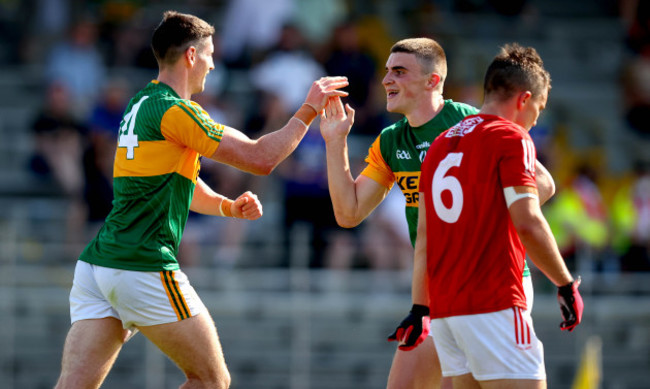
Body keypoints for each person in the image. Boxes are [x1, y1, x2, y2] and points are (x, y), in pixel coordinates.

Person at [54, 10, 349, 389]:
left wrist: (227, 206)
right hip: (142, 264)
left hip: (98, 267)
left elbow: (183, 184)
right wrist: (308, 109)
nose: (213, 63)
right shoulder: (176, 111)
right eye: (210, 54)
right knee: (211, 381)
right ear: (191, 56)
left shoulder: (141, 104)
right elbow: (260, 158)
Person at [319, 37, 555, 389]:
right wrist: (335, 141)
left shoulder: (468, 120)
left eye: (399, 71)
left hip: (491, 284)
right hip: (437, 287)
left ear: (433, 81)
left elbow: (544, 184)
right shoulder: (391, 141)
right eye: (386, 72)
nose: (386, 80)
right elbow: (349, 213)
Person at [388, 43, 584, 388]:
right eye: (537, 110)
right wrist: (565, 284)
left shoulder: (440, 145)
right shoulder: (511, 138)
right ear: (524, 99)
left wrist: (421, 308)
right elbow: (528, 221)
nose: (535, 121)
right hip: (495, 301)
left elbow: (425, 240)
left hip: (446, 311)